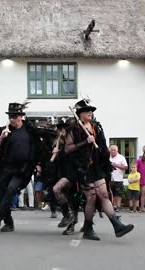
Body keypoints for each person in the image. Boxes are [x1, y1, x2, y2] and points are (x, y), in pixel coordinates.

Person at [65, 99, 133, 240]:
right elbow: (68, 149)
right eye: (87, 111)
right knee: (91, 197)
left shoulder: (96, 127)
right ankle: (88, 228)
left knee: (104, 194)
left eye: (91, 111)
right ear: (80, 114)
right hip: (82, 169)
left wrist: (104, 153)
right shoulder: (74, 129)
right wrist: (85, 142)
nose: (90, 113)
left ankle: (117, 225)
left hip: (96, 166)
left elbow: (102, 145)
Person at [0, 102, 48, 232]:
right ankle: (9, 223)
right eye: (10, 116)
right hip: (7, 168)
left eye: (14, 117)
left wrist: (38, 165)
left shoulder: (29, 130)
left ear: (21, 116)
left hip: (22, 169)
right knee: (1, 195)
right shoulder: (6, 130)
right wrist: (1, 137)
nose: (12, 119)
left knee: (11, 189)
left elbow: (39, 149)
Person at [52, 119, 80, 235]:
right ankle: (71, 224)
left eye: (66, 127)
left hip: (73, 175)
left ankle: (67, 216)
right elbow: (54, 164)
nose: (63, 130)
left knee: (56, 189)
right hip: (62, 174)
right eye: (61, 128)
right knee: (71, 201)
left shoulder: (73, 143)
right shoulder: (58, 144)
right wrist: (55, 153)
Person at [109, 145, 128, 212]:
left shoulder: (121, 157)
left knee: (118, 194)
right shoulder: (107, 157)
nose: (113, 151)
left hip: (118, 178)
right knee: (111, 193)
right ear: (109, 150)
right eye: (112, 150)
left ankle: (118, 206)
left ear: (117, 151)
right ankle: (113, 206)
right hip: (109, 178)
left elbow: (126, 167)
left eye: (114, 150)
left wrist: (117, 165)